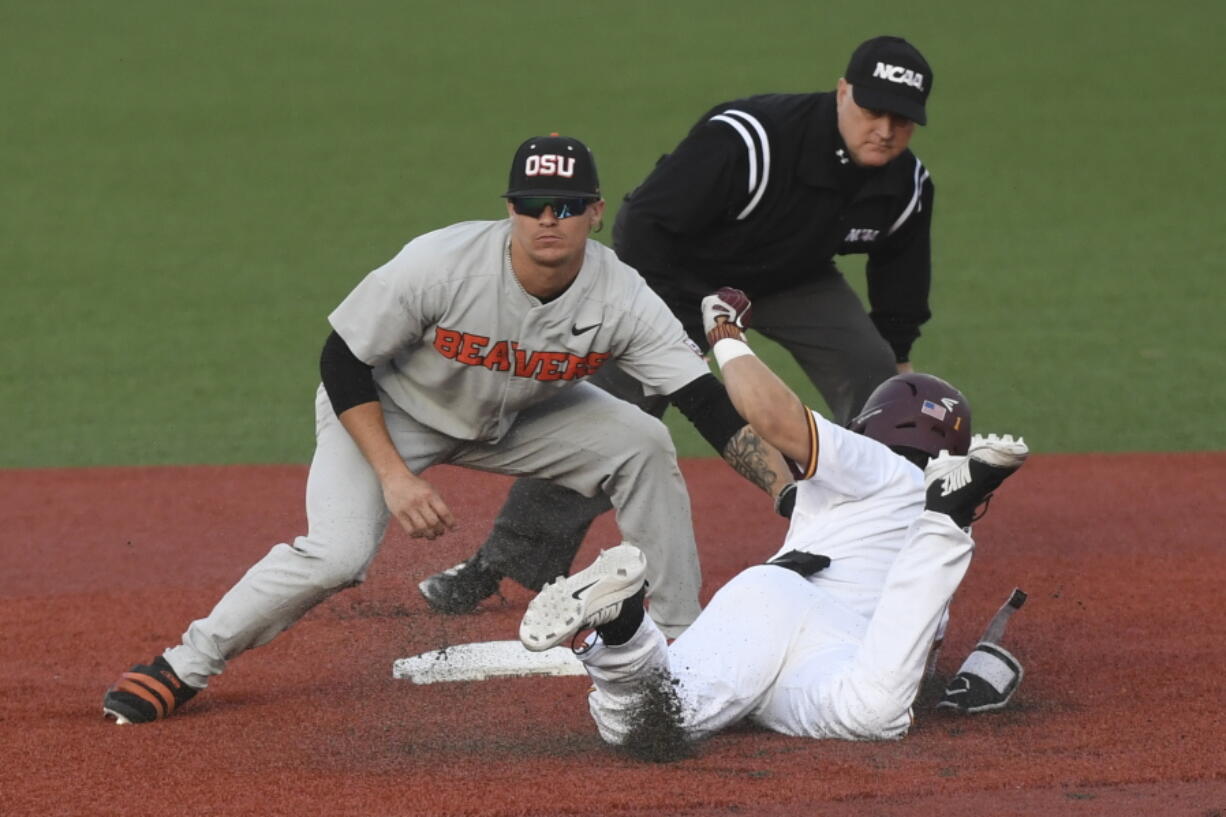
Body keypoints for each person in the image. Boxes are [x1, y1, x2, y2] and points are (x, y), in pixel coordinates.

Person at [101, 135, 786, 725]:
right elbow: (343, 358)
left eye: (569, 206)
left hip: (519, 417)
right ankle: (185, 662)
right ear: (509, 209)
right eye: (533, 205)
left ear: (597, 212)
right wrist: (393, 475)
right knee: (336, 555)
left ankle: (679, 644)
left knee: (643, 440)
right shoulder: (442, 263)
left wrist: (789, 490)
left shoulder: (622, 295)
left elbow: (703, 401)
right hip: (388, 408)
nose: (550, 220)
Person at [421, 35, 940, 617]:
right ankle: (507, 559)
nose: (886, 130)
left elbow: (899, 275)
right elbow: (642, 223)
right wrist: (673, 326)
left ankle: (881, 540)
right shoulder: (749, 140)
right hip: (679, 278)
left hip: (794, 281)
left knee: (879, 383)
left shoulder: (906, 186)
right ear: (842, 92)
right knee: (610, 413)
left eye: (903, 120)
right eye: (873, 111)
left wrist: (897, 361)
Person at [517, 287, 1030, 749]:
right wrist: (726, 339)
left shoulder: (865, 483)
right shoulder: (885, 470)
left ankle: (626, 628)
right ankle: (948, 522)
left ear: (871, 423)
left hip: (793, 627)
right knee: (877, 709)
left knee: (652, 720)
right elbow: (774, 418)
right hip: (791, 612)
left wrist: (726, 331)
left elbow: (784, 462)